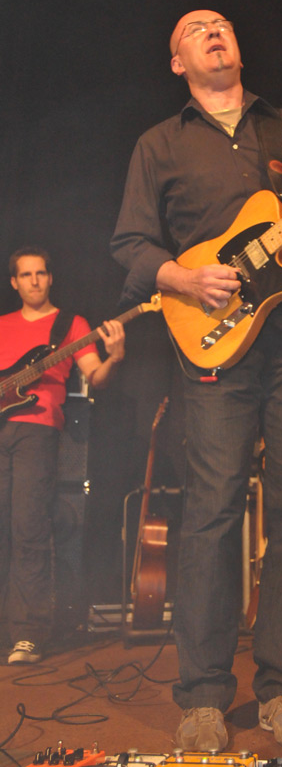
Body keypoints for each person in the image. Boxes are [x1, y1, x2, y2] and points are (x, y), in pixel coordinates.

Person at [111, 10, 282, 751]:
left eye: (221, 23)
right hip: (212, 334)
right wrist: (185, 277)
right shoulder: (159, 143)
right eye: (195, 28)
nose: (214, 30)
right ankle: (204, 696)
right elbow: (131, 245)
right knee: (212, 509)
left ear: (238, 48)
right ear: (177, 61)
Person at [0, 246, 125, 665]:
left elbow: (96, 376)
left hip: (37, 430)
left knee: (29, 527)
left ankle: (28, 633)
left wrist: (115, 357)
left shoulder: (72, 325)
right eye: (26, 274)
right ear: (14, 282)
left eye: (41, 273)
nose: (34, 281)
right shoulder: (2, 325)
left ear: (50, 278)